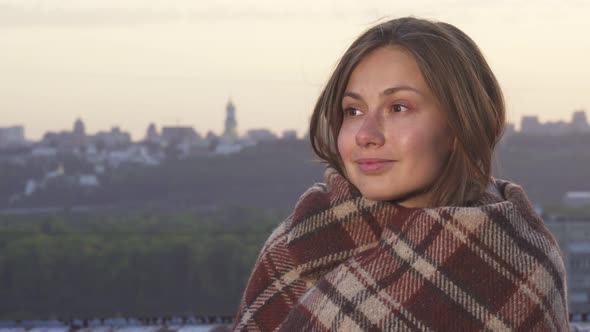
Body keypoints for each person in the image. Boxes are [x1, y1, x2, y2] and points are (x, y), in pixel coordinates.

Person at [232, 17, 569, 331]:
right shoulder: (297, 244)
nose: (366, 134)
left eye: (398, 108)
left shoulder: (520, 265)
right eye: (353, 110)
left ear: (459, 123)